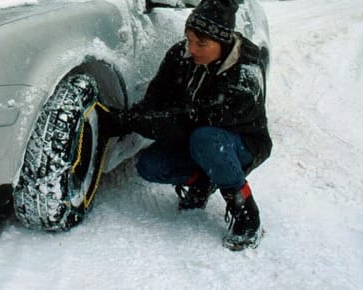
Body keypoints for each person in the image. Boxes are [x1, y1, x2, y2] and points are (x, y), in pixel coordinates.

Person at [101, 0, 272, 251]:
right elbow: (156, 98)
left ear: (223, 42)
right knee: (150, 165)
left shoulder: (245, 74)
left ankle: (246, 212)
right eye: (189, 39)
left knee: (206, 139)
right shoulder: (181, 55)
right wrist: (127, 118)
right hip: (200, 138)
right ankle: (203, 182)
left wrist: (131, 122)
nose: (192, 49)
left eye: (201, 43)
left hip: (241, 145)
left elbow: (191, 121)